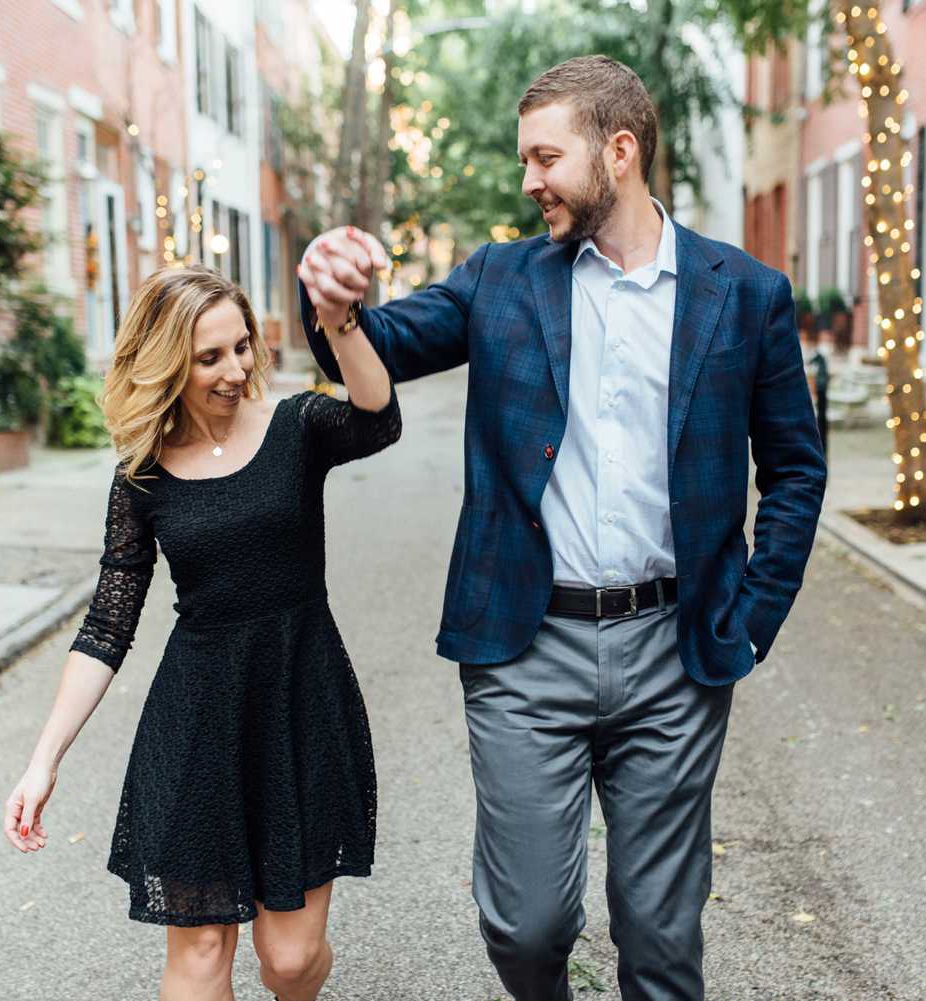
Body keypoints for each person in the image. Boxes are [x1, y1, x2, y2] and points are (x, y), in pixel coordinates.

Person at [297, 56, 826, 1001]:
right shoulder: (502, 279)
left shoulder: (744, 295)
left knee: (663, 934)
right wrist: (334, 304)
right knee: (527, 923)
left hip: (676, 647)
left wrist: (751, 615)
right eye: (525, 160)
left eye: (547, 158)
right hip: (523, 648)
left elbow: (794, 468)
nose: (530, 180)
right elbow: (386, 341)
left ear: (619, 153)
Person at [2, 259, 399, 1001]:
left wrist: (341, 322)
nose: (235, 368)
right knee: (201, 950)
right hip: (196, 718)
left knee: (287, 960)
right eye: (209, 356)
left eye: (242, 346)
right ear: (167, 363)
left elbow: (379, 420)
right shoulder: (142, 475)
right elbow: (107, 622)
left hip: (298, 701)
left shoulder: (297, 425)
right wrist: (43, 760)